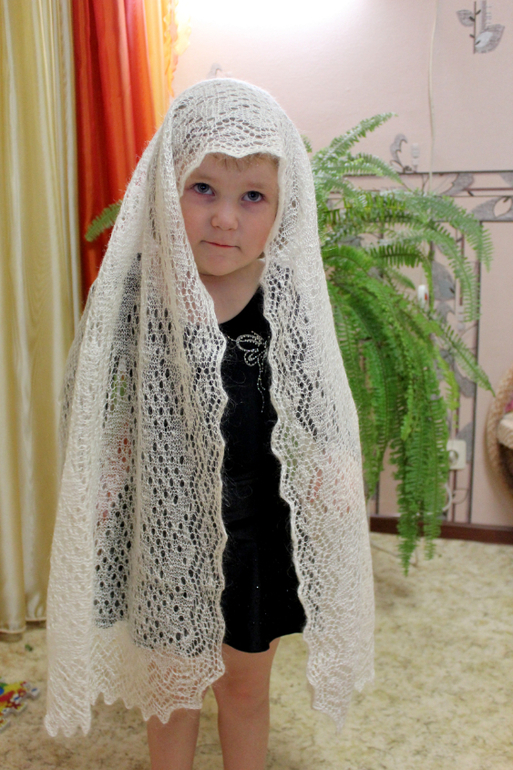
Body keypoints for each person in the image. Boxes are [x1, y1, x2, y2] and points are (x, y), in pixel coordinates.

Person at [45, 79, 374, 770]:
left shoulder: (284, 298)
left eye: (252, 196)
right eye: (203, 189)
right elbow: (99, 393)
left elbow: (315, 397)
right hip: (165, 531)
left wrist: (331, 465)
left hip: (258, 532)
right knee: (171, 694)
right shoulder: (140, 290)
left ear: (283, 206)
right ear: (167, 187)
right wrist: (106, 463)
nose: (225, 218)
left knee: (244, 688)